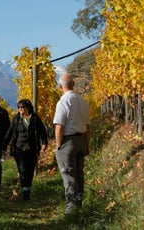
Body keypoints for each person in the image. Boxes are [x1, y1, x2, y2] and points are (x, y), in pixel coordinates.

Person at [53, 73, 91, 214]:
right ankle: (79, 204)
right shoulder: (82, 102)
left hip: (68, 141)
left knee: (68, 174)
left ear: (60, 86)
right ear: (73, 84)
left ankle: (71, 208)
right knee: (79, 174)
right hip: (81, 139)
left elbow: (59, 126)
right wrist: (87, 144)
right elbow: (88, 127)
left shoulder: (63, 102)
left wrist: (58, 145)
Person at [2, 99, 48, 200]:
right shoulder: (16, 118)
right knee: (22, 169)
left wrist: (44, 143)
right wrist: (4, 145)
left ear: (28, 107)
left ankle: (28, 188)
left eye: (22, 107)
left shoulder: (35, 118)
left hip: (32, 148)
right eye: (19, 107)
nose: (21, 109)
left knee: (30, 170)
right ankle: (25, 191)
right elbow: (9, 132)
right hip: (19, 148)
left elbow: (42, 132)